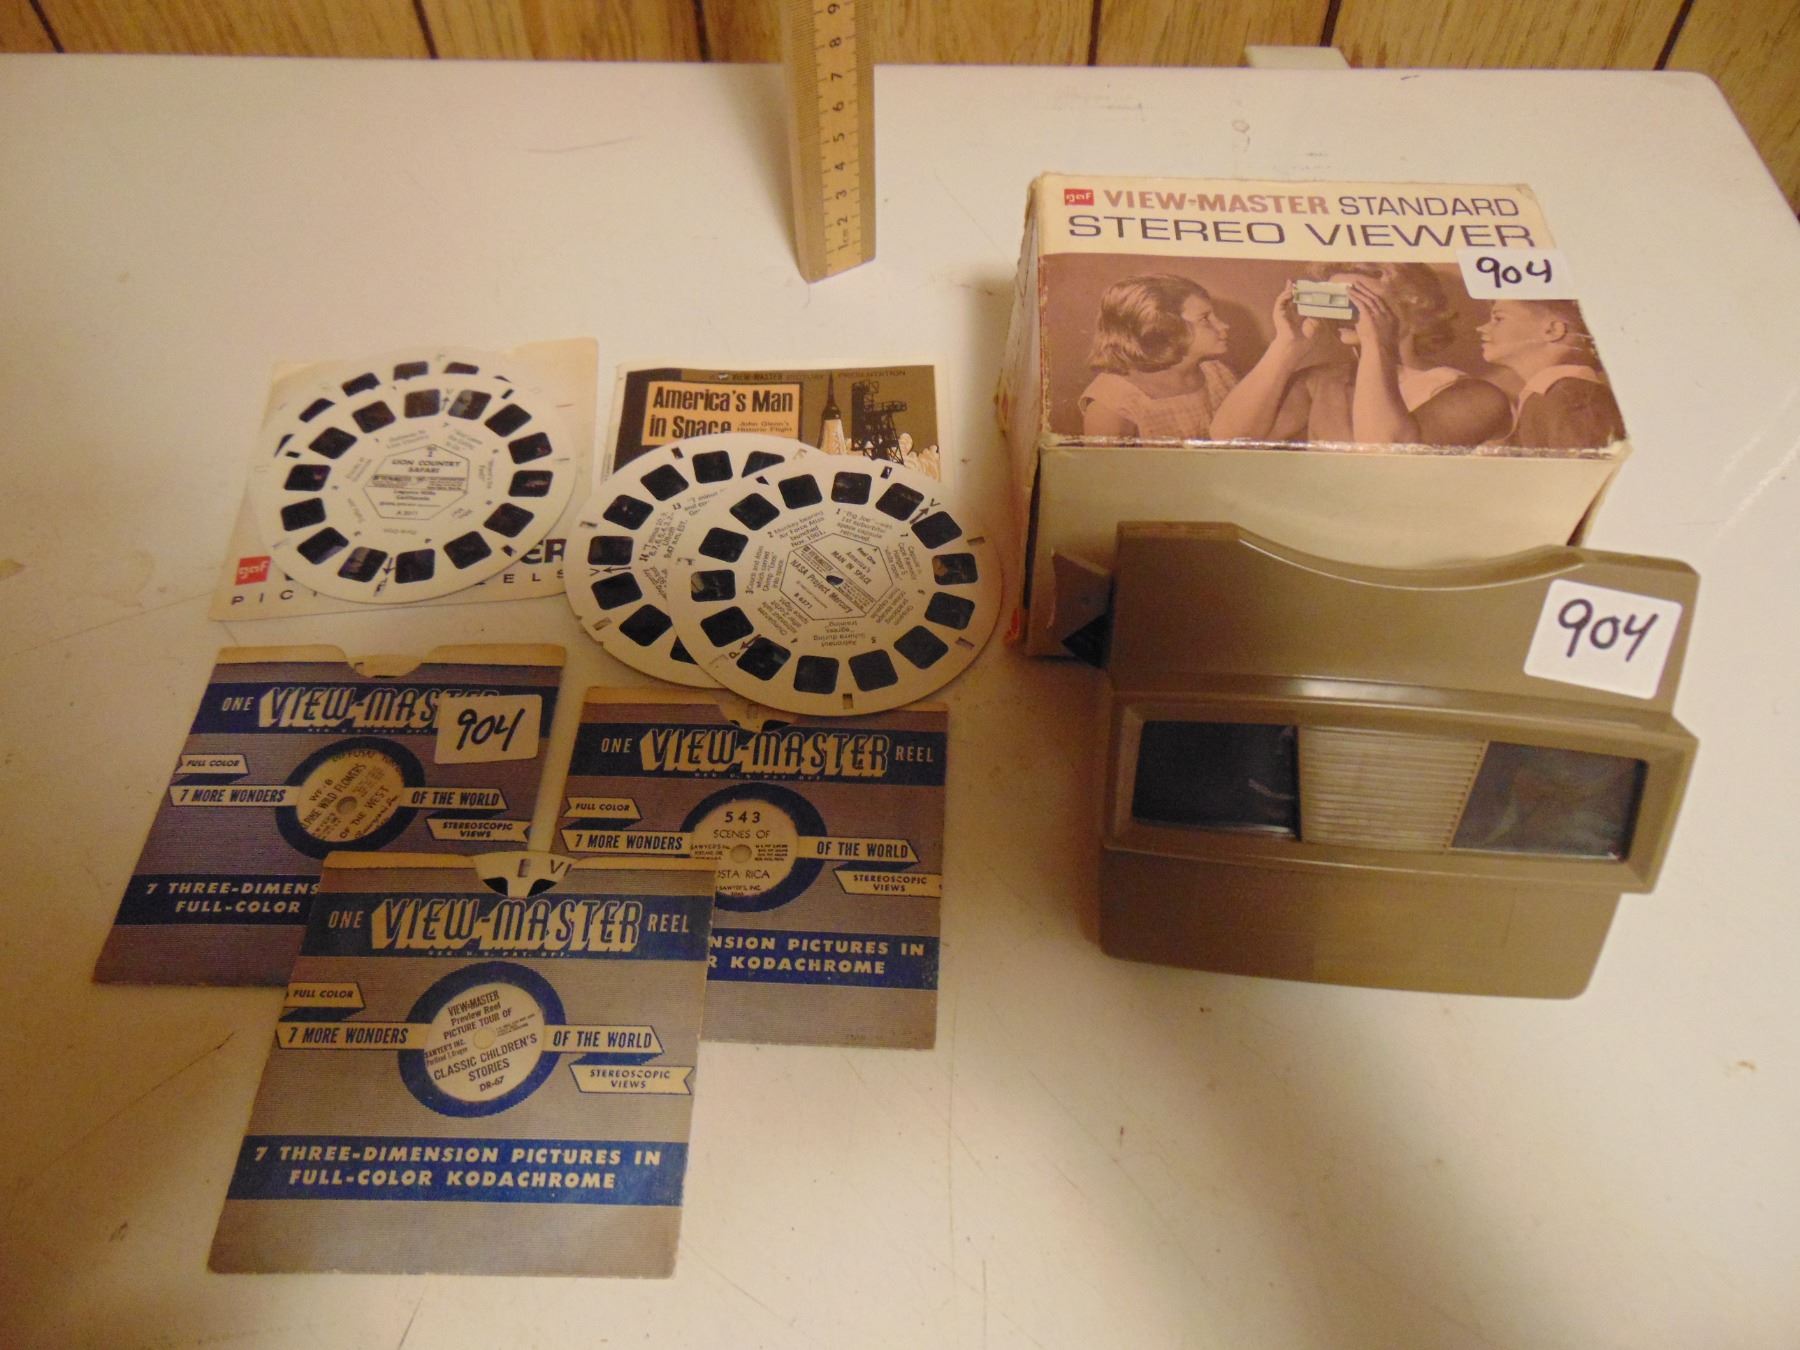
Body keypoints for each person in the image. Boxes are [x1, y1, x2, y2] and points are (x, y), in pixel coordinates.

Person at [1211, 262, 1510, 449]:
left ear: (1415, 311)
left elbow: (1385, 456)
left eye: (1361, 301)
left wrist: (1376, 344)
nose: (1345, 312)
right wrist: (1287, 346)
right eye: (1336, 300)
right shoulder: (1323, 381)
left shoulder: (1477, 396)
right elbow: (1228, 437)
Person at [1079, 274, 1239, 441]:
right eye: (1205, 318)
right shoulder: (1113, 402)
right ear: (1162, 328)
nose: (1223, 325)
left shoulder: (1216, 372)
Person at [1476, 299, 1625, 450]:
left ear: (1552, 330)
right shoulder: (1551, 395)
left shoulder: (1572, 398)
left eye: (1499, 319)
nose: (1481, 328)